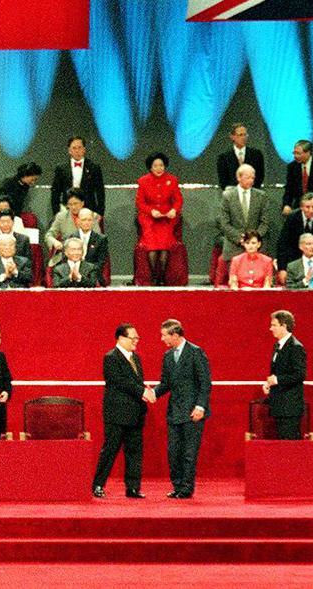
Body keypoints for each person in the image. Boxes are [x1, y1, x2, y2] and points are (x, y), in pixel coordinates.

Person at [92, 323, 152, 499]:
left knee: (134, 452)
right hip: (117, 414)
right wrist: (143, 391)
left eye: (137, 338)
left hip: (135, 413)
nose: (136, 341)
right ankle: (97, 484)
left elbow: (136, 382)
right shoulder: (111, 357)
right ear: (120, 338)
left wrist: (145, 390)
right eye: (132, 338)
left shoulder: (136, 358)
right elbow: (120, 382)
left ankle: (132, 488)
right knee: (110, 450)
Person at [153, 319, 211, 499]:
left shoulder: (196, 352)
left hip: (193, 412)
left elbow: (205, 383)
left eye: (164, 335)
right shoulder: (167, 356)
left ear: (175, 335)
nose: (162, 339)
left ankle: (186, 488)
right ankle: (177, 486)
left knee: (189, 452)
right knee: (173, 452)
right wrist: (152, 393)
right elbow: (166, 384)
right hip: (174, 412)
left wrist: (200, 406)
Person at [136, 153, 183, 286]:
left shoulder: (172, 180)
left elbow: (178, 199)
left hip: (166, 218)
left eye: (161, 165)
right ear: (150, 167)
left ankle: (161, 278)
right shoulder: (143, 181)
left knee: (164, 247)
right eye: (155, 166)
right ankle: (153, 277)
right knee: (152, 247)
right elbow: (140, 203)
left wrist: (174, 210)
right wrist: (151, 211)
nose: (159, 168)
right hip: (149, 218)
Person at [263, 310, 306, 439]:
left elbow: (300, 375)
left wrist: (277, 380)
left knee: (289, 448)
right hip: (280, 407)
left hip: (289, 409)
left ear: (284, 326)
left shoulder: (295, 347)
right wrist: (269, 384)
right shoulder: (278, 346)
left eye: (274, 325)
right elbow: (278, 372)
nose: (271, 329)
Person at [276, 192, 313, 284]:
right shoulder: (292, 218)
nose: (311, 210)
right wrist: (282, 268)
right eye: (307, 207)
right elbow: (283, 245)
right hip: (294, 263)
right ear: (301, 207)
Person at [218, 164, 270, 264]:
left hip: (257, 250)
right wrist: (240, 238)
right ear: (238, 177)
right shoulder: (227, 196)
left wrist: (253, 240)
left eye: (253, 178)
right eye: (248, 178)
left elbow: (265, 222)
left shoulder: (262, 196)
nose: (251, 181)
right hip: (234, 248)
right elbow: (224, 223)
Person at [45, 188, 102, 267]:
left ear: (82, 203)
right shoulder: (61, 217)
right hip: (66, 257)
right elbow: (49, 235)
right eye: (70, 204)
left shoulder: (91, 215)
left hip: (88, 257)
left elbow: (97, 238)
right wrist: (54, 242)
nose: (73, 207)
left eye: (76, 203)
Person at [51, 136, 105, 217]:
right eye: (74, 148)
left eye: (79, 148)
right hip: (67, 210)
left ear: (84, 149)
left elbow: (100, 191)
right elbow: (55, 192)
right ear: (69, 150)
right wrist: (56, 212)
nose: (77, 151)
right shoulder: (61, 169)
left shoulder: (94, 168)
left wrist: (100, 212)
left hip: (89, 210)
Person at [216, 123, 265, 191]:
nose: (244, 137)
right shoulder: (224, 157)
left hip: (252, 193)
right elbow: (223, 180)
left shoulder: (256, 154)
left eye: (245, 134)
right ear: (232, 137)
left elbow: (260, 176)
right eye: (240, 135)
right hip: (232, 195)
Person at [75, 208, 109, 286]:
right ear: (78, 221)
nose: (86, 223)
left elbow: (101, 262)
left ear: (93, 221)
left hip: (94, 277)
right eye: (84, 220)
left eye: (89, 220)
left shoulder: (101, 239)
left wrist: (86, 273)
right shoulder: (70, 238)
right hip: (74, 277)